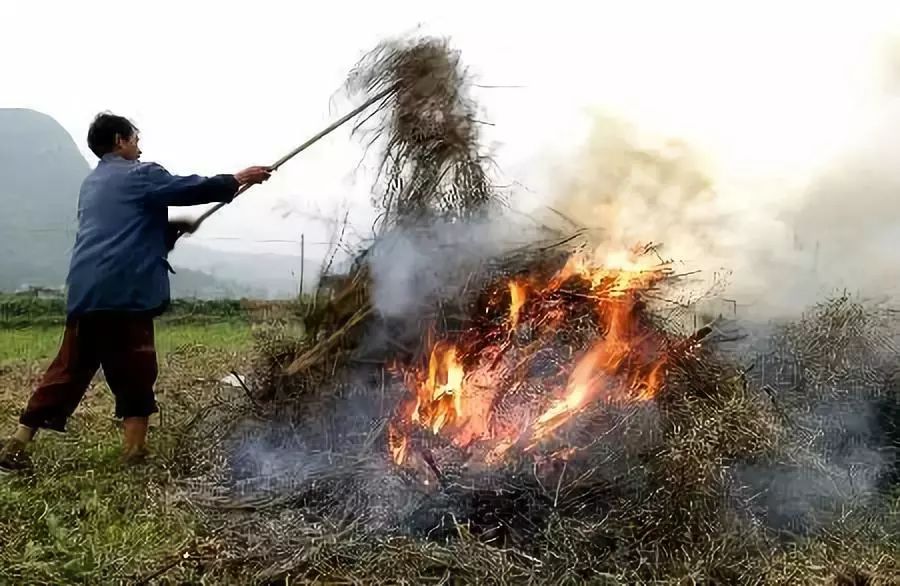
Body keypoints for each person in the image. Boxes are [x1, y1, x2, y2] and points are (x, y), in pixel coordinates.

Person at [0, 112, 272, 473]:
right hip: (124, 295)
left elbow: (122, 232)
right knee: (136, 370)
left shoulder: (93, 184)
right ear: (120, 141)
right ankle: (133, 454)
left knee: (68, 369)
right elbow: (189, 189)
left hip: (86, 293)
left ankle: (17, 444)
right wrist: (238, 179)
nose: (140, 146)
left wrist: (170, 230)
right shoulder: (140, 174)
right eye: (135, 138)